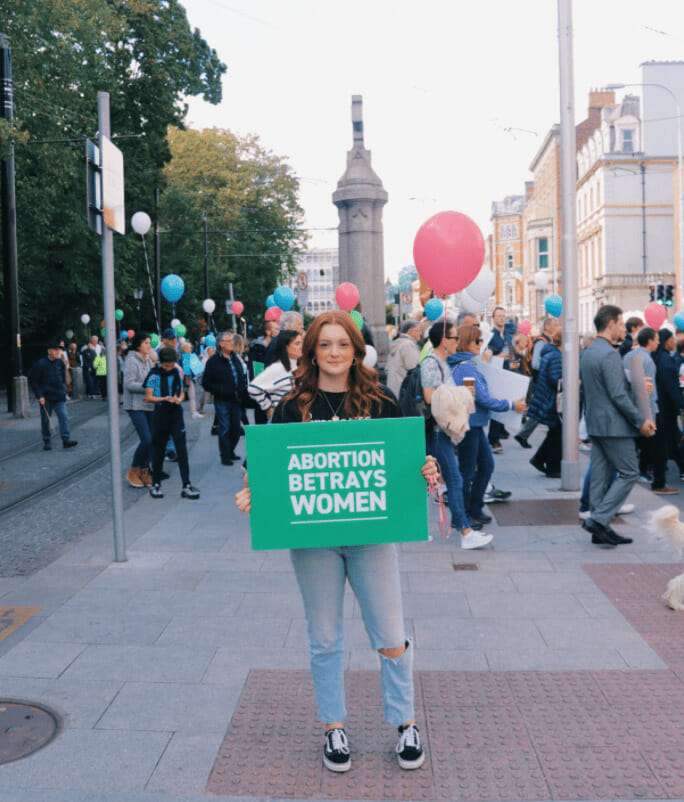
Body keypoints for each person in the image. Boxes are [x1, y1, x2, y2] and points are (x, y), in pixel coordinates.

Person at [235, 310, 438, 773]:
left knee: (389, 634)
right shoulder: (291, 406)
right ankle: (334, 727)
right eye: (324, 345)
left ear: (355, 349)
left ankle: (404, 721)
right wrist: (252, 492)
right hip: (315, 539)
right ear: (311, 351)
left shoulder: (380, 398)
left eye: (342, 344)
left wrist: (425, 470)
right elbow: (264, 466)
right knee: (325, 638)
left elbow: (409, 458)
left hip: (372, 536)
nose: (333, 353)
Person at [580, 305, 655, 547]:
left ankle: (598, 527)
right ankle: (599, 519)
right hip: (613, 425)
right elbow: (618, 395)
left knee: (600, 477)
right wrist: (640, 420)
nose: (624, 329)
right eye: (621, 324)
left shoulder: (590, 351)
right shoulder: (610, 354)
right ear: (610, 324)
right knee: (630, 472)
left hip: (595, 423)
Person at [422, 320, 493, 548]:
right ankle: (465, 531)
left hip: (440, 430)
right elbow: (429, 397)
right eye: (454, 338)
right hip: (434, 430)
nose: (457, 343)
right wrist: (457, 394)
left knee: (448, 479)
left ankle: (459, 526)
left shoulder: (441, 362)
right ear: (445, 341)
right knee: (453, 479)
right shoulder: (431, 363)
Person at [450, 325, 526, 524]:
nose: (480, 345)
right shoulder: (466, 367)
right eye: (477, 341)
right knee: (468, 471)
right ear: (466, 343)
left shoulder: (468, 364)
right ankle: (465, 514)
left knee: (484, 466)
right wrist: (511, 405)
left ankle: (474, 508)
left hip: (473, 425)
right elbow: (480, 398)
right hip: (469, 426)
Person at [144, 347, 200, 500]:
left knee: (182, 449)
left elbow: (181, 391)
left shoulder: (176, 372)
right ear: (161, 363)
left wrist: (180, 399)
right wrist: (164, 398)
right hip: (161, 414)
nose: (170, 367)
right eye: (167, 365)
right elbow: (148, 397)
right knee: (159, 450)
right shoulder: (154, 375)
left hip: (176, 413)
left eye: (172, 364)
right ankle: (156, 484)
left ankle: (186, 485)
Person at [202, 331, 248, 466]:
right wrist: (220, 391)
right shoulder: (213, 361)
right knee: (225, 428)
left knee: (236, 429)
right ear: (221, 344)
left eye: (232, 340)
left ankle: (230, 451)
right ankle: (225, 455)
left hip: (237, 399)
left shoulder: (235, 358)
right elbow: (205, 383)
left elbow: (241, 376)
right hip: (222, 400)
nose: (232, 343)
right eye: (228, 340)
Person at [515, 317, 561, 449]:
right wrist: (548, 367)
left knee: (539, 410)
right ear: (547, 327)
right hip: (542, 381)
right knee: (541, 410)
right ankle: (525, 435)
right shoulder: (541, 342)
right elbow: (535, 363)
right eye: (555, 324)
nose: (558, 326)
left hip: (542, 380)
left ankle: (523, 435)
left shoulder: (548, 340)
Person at [651, 328, 684, 494]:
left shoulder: (659, 358)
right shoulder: (666, 361)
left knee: (670, 442)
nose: (674, 342)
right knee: (666, 444)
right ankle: (659, 482)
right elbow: (671, 387)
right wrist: (681, 404)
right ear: (667, 341)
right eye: (672, 339)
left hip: (661, 408)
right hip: (666, 410)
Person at [29, 342, 78, 451]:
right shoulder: (40, 364)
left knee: (64, 417)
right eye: (56, 349)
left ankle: (66, 440)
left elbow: (66, 380)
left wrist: (65, 369)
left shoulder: (60, 362)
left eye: (59, 350)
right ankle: (47, 441)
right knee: (46, 420)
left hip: (59, 396)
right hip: (45, 397)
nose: (58, 352)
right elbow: (33, 381)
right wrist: (39, 396)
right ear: (49, 351)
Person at [528, 330, 563, 478]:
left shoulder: (551, 353)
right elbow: (556, 379)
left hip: (546, 399)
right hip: (551, 401)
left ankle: (539, 459)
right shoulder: (556, 356)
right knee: (558, 433)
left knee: (555, 432)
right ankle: (552, 467)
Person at [123, 332, 155, 488]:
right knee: (147, 438)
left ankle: (145, 469)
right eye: (147, 343)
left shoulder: (148, 360)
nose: (149, 345)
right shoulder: (131, 360)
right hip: (135, 405)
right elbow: (129, 384)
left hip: (148, 404)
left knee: (153, 438)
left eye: (149, 343)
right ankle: (134, 470)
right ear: (138, 345)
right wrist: (147, 387)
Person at [248, 330, 303, 415]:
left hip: (297, 418)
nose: (301, 347)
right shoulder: (277, 368)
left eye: (301, 343)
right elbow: (253, 388)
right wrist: (268, 407)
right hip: (282, 420)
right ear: (286, 347)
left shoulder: (298, 366)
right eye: (297, 343)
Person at [486, 306, 511, 451]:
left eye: (503, 316)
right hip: (495, 375)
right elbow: (485, 357)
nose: (502, 318)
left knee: (504, 406)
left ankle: (498, 434)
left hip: (508, 373)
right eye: (499, 316)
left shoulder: (507, 335)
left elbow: (512, 355)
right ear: (493, 318)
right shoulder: (490, 335)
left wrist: (516, 364)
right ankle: (494, 439)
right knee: (497, 406)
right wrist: (497, 357)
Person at [387, 320, 422, 397]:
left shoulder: (398, 343)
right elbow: (414, 370)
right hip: (404, 391)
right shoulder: (408, 345)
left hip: (394, 388)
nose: (421, 333)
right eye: (419, 330)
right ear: (410, 331)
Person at [180, 341, 204, 419]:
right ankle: (194, 412)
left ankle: (194, 412)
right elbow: (187, 371)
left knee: (190, 396)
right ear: (186, 348)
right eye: (190, 347)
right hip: (188, 379)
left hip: (186, 379)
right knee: (192, 396)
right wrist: (188, 382)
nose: (191, 348)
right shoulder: (187, 356)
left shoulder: (183, 356)